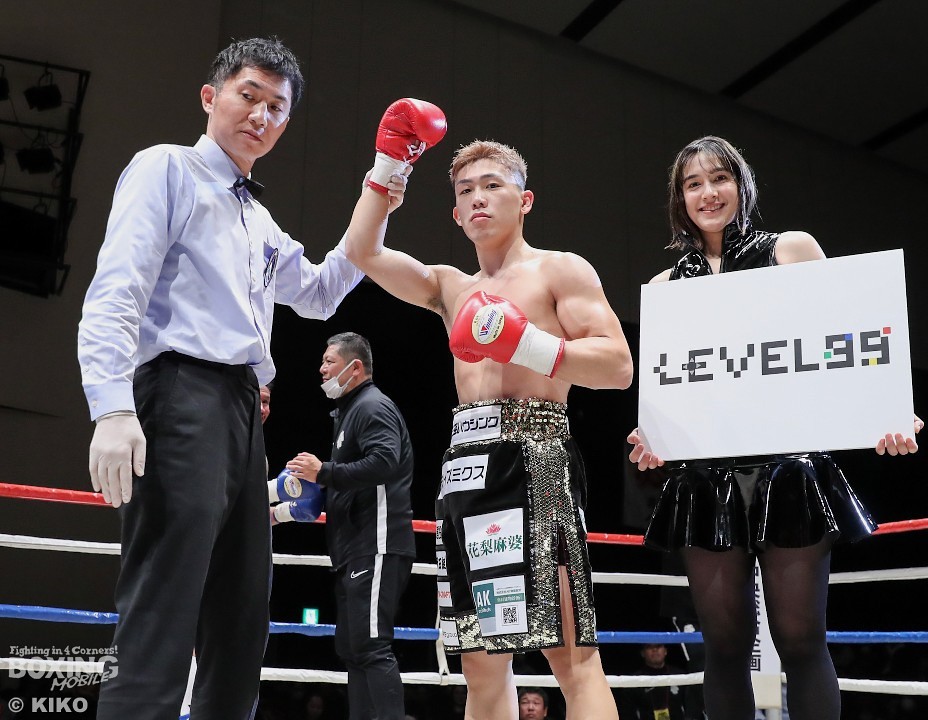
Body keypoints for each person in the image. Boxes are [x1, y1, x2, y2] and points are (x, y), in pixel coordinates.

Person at [78, 38, 406, 720]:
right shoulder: (166, 168)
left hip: (239, 412)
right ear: (211, 96)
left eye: (276, 107)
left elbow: (321, 291)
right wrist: (110, 405)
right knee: (164, 601)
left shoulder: (258, 219)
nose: (260, 115)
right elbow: (117, 289)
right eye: (248, 95)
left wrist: (382, 181)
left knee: (241, 614)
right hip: (178, 396)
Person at [626, 135, 924, 720]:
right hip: (705, 483)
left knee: (802, 642)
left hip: (788, 474)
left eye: (719, 178)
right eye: (693, 184)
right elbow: (668, 389)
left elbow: (850, 337)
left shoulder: (791, 251)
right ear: (679, 198)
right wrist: (652, 435)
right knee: (723, 649)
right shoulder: (666, 288)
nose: (708, 193)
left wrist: (889, 407)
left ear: (741, 184)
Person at [345, 124, 633, 717]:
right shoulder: (451, 288)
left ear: (524, 200)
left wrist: (528, 344)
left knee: (571, 655)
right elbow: (362, 252)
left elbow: (617, 366)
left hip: (536, 456)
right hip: (466, 469)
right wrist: (388, 167)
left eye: (492, 185)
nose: (478, 197)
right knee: (480, 664)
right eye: (466, 190)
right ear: (456, 215)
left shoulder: (560, 271)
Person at [279, 333, 416, 720]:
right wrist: (281, 510)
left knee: (370, 647)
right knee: (354, 650)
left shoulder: (372, 406)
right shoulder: (350, 412)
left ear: (355, 367)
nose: (321, 369)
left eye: (330, 362)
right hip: (355, 547)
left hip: (376, 542)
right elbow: (341, 484)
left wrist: (323, 471)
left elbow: (385, 462)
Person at [617, 643, 685, 720]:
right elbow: (627, 712)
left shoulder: (680, 676)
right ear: (642, 653)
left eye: (658, 646)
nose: (655, 650)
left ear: (665, 651)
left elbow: (690, 706)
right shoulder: (634, 680)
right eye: (649, 647)